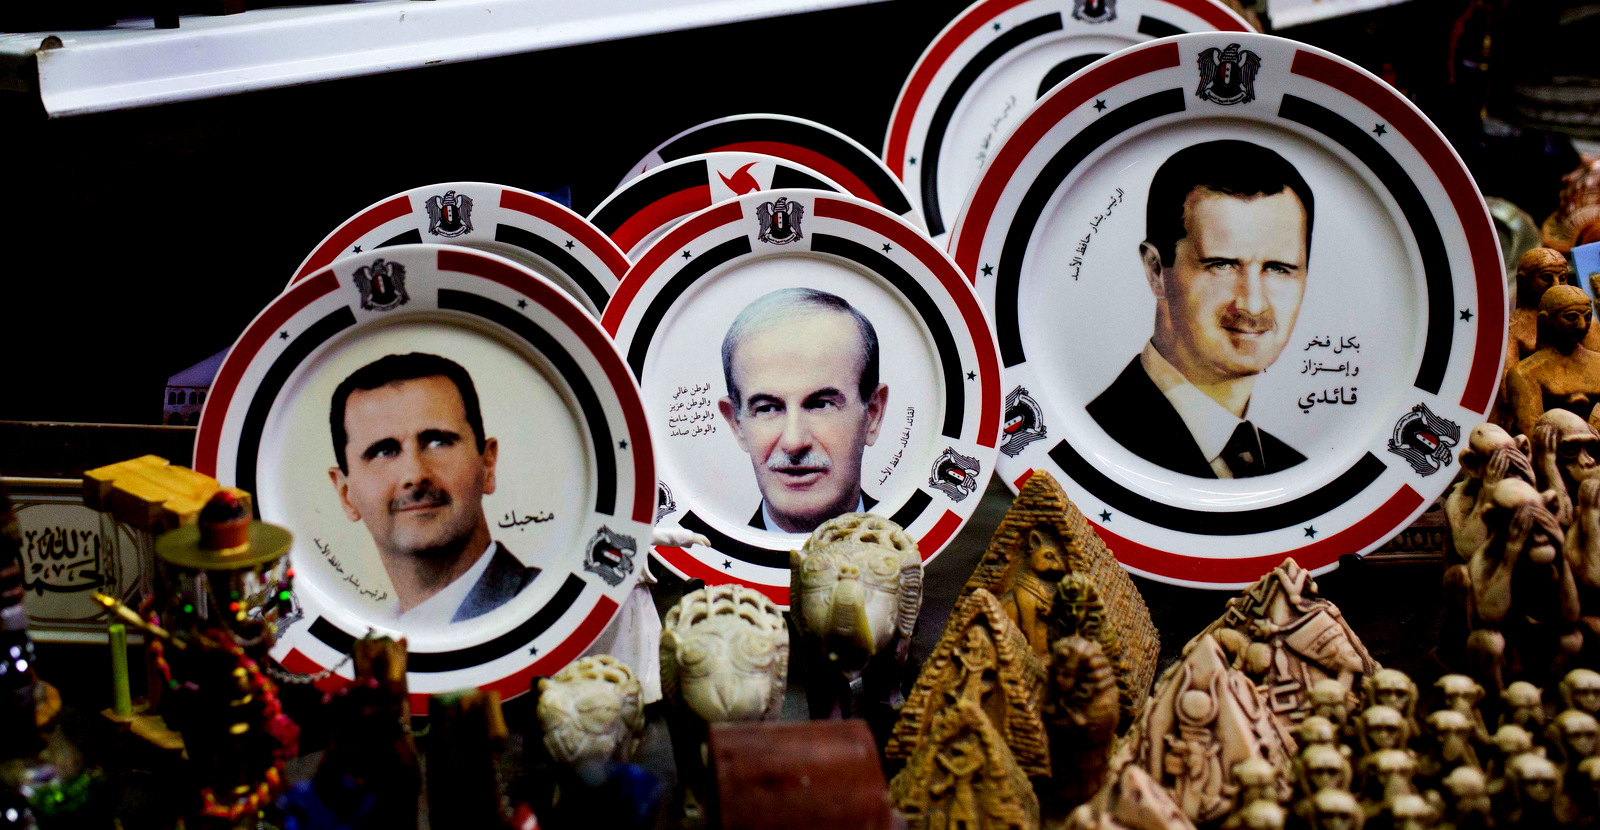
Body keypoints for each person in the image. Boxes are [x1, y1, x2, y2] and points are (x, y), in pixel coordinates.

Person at [1087, 139, 1313, 479]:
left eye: (1279, 268)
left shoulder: (1290, 468)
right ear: (1155, 270)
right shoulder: (1096, 439)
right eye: (1221, 265)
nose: (1252, 303)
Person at [327, 352, 536, 624]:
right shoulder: (362, 647)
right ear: (345, 495)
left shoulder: (550, 604)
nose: (415, 474)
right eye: (384, 451)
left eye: (438, 442)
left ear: (488, 464)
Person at [716, 288, 890, 533]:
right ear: (736, 424)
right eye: (767, 409)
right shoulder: (704, 560)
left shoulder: (923, 546)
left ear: (873, 414)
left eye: (821, 404)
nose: (794, 442)